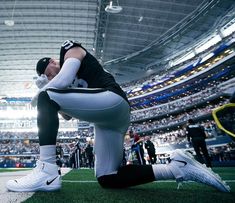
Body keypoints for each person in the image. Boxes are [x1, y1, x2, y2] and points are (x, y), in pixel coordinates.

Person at [6, 40, 230, 192]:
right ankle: (177, 167)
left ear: (53, 62)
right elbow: (65, 116)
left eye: (48, 72)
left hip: (112, 100)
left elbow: (61, 83)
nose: (50, 76)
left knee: (46, 98)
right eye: (47, 77)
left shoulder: (70, 50)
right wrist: (47, 88)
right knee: (107, 178)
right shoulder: (56, 84)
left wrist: (42, 90)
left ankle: (47, 171)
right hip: (107, 121)